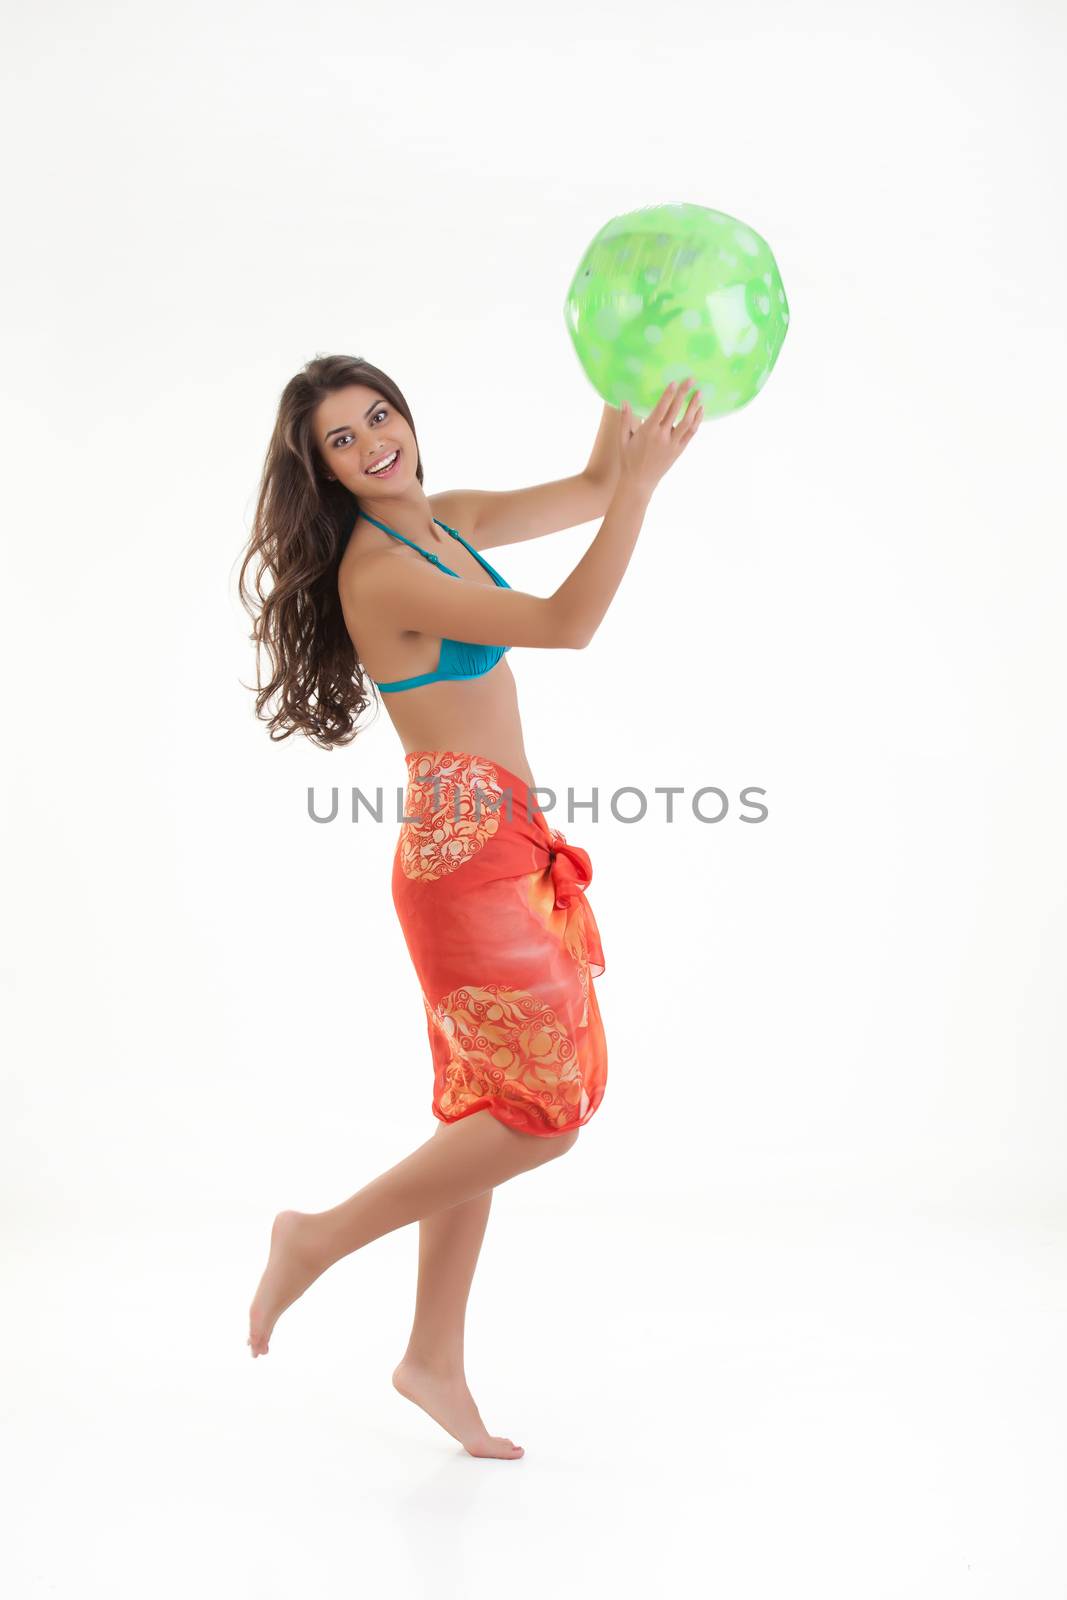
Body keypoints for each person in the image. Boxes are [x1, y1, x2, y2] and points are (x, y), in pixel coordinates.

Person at [239, 355, 703, 1458]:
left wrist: (625, 372)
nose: (369, 444)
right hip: (459, 857)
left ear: (404, 415)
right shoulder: (375, 574)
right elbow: (564, 620)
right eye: (340, 441)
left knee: (488, 1108)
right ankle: (315, 1238)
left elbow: (590, 484)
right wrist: (642, 491)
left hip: (501, 842)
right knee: (542, 1116)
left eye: (377, 417)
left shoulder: (442, 521)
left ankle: (431, 1359)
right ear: (322, 472)